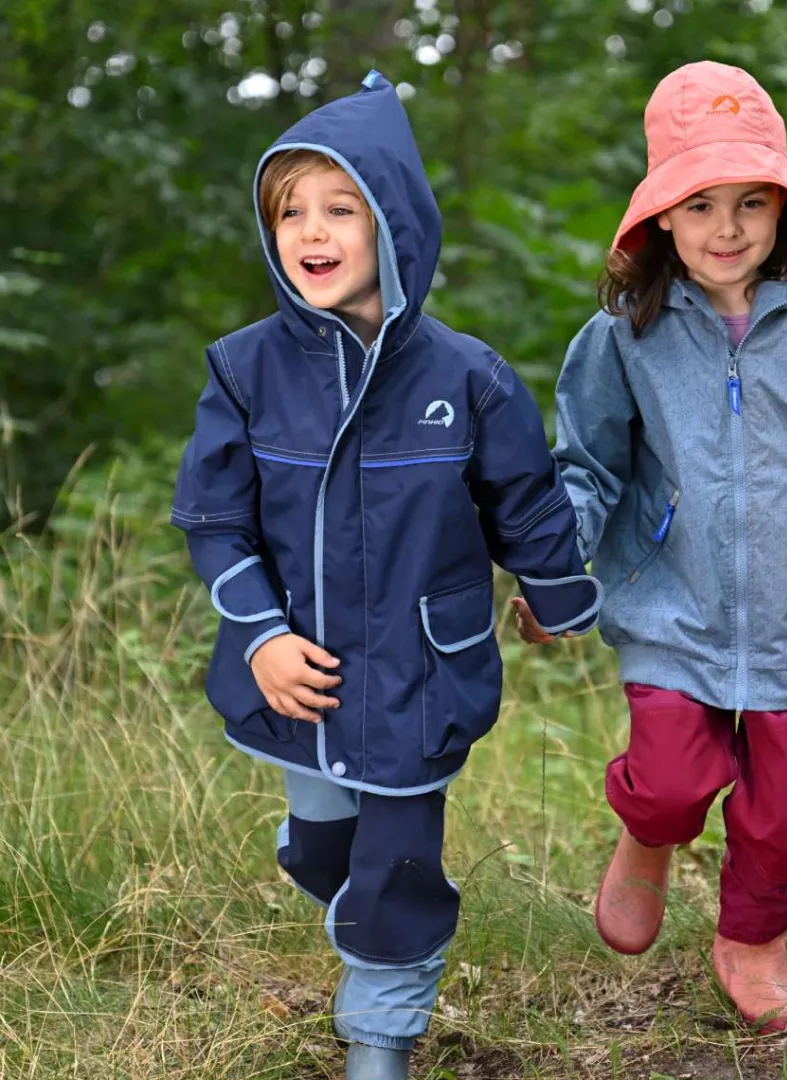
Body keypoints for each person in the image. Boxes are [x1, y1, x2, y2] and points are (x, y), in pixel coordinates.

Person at [171, 71, 601, 1080]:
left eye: (340, 207)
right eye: (290, 212)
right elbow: (214, 521)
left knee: (399, 865)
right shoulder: (245, 372)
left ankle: (381, 1039)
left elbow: (526, 503)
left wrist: (556, 595)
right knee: (329, 854)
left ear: (395, 223)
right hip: (299, 673)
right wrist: (263, 635)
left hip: (419, 672)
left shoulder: (467, 376)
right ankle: (336, 883)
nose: (311, 232)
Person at [512, 61, 787, 1033]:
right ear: (659, 217)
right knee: (672, 781)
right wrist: (555, 569)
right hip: (672, 605)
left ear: (784, 211)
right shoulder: (624, 337)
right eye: (700, 203)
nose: (728, 228)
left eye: (752, 201)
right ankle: (648, 836)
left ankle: (751, 939)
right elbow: (583, 468)